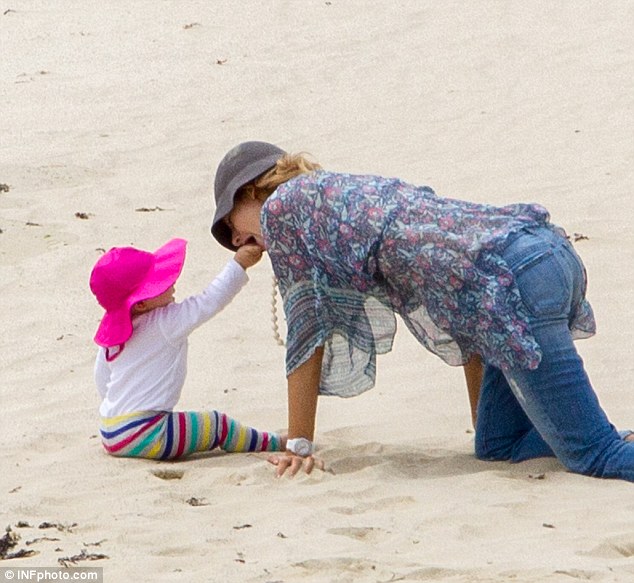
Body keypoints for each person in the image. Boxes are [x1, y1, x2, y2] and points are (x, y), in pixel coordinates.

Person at [209, 140, 634, 482]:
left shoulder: (283, 211)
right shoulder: (340, 195)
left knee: (595, 455)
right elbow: (463, 304)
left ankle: (598, 436)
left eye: (231, 227)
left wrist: (298, 444)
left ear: (251, 192)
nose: (240, 242)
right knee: (498, 445)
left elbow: (307, 330)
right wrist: (485, 414)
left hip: (513, 283)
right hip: (537, 258)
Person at [89, 237, 285, 460]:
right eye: (161, 283)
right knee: (218, 425)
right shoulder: (165, 322)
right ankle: (274, 442)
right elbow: (209, 301)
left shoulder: (113, 337)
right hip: (147, 432)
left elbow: (102, 380)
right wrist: (238, 265)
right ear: (142, 303)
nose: (172, 284)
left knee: (196, 425)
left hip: (110, 431)